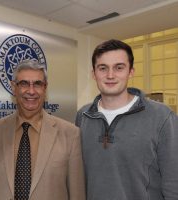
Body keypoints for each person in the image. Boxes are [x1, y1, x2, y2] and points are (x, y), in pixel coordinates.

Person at [75, 39, 178, 200]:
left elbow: (174, 183)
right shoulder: (83, 116)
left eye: (119, 67)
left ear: (131, 72)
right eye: (103, 68)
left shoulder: (161, 116)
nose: (110, 75)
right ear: (93, 74)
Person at [0, 59, 85, 200]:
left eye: (37, 84)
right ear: (13, 87)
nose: (31, 91)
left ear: (45, 87)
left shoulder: (70, 134)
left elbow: (77, 194)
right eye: (24, 83)